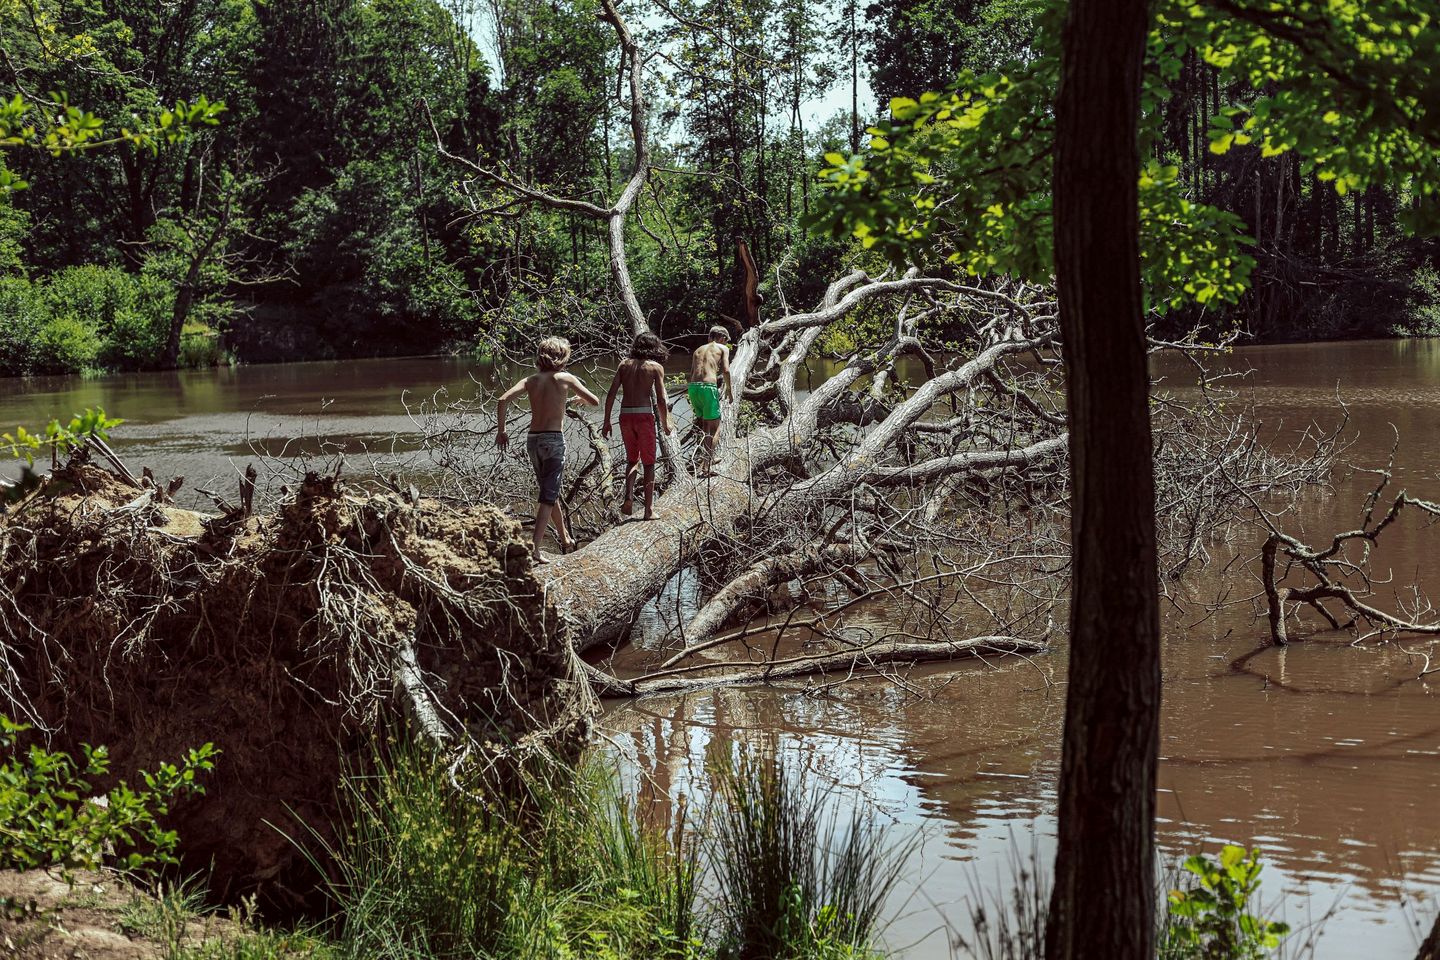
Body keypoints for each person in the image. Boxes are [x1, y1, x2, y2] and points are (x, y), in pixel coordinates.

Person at [495, 336, 599, 562]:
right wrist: (579, 398)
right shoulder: (565, 378)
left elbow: (502, 400)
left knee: (549, 492)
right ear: (563, 358)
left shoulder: (531, 380)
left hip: (532, 440)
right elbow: (595, 401)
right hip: (553, 441)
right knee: (547, 496)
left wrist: (502, 431)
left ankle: (564, 537)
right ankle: (534, 549)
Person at [602, 332, 673, 520]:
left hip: (625, 416)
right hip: (644, 417)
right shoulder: (655, 367)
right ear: (654, 347)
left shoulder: (624, 365)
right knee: (649, 464)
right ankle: (649, 510)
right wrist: (665, 422)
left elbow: (611, 394)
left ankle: (628, 498)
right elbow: (661, 399)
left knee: (632, 460)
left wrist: (606, 421)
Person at [687, 325, 732, 474]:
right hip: (708, 387)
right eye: (726, 341)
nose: (725, 344)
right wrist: (729, 390)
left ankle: (707, 458)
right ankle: (706, 467)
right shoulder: (722, 348)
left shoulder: (698, 350)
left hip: (693, 388)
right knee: (716, 427)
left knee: (706, 424)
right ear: (722, 338)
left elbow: (692, 372)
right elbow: (726, 370)